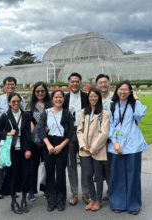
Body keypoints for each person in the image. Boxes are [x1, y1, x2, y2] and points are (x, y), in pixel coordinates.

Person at [108, 80, 148, 215]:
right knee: (117, 176)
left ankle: (134, 204)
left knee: (133, 176)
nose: (123, 92)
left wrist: (136, 98)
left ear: (130, 91)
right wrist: (115, 142)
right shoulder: (112, 106)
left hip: (133, 145)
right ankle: (118, 203)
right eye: (120, 89)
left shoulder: (134, 105)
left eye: (126, 89)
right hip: (117, 145)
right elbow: (110, 126)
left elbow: (140, 114)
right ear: (116, 90)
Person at [37, 90, 74, 212]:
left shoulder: (67, 113)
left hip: (62, 145)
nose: (58, 99)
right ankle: (51, 200)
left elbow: (70, 133)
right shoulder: (46, 113)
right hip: (48, 144)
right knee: (50, 172)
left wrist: (61, 146)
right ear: (52, 99)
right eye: (56, 97)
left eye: (61, 97)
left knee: (60, 173)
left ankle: (61, 200)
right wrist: (48, 145)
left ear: (63, 99)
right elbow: (40, 129)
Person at [0, 92, 32, 214]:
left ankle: (23, 200)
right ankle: (13, 201)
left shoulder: (26, 115)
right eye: (13, 101)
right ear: (9, 103)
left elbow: (28, 134)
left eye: (18, 101)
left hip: (23, 150)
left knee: (26, 175)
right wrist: (7, 134)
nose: (16, 103)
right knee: (12, 176)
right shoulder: (5, 116)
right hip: (11, 151)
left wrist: (28, 149)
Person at [77, 88, 110, 211]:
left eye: (95, 96)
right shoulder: (83, 112)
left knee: (99, 175)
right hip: (85, 150)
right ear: (88, 98)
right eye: (91, 96)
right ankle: (92, 198)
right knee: (88, 174)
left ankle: (98, 200)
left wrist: (94, 147)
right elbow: (79, 130)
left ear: (99, 98)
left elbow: (104, 133)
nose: (93, 98)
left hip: (98, 150)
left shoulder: (104, 114)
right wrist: (83, 145)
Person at [0, 76, 24, 199]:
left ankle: (12, 188)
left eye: (12, 85)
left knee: (14, 163)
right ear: (4, 86)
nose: (10, 87)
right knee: (2, 163)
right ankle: (1, 188)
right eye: (7, 85)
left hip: (16, 137)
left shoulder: (19, 99)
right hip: (3, 136)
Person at [63, 72, 90, 205]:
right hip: (69, 133)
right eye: (72, 81)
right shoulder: (64, 98)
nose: (75, 83)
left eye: (77, 81)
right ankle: (74, 193)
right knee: (71, 163)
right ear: (69, 83)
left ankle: (85, 192)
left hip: (84, 132)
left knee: (85, 163)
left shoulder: (87, 96)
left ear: (80, 83)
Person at [26, 82, 52, 202]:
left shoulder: (50, 105)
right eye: (37, 91)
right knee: (32, 166)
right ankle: (31, 190)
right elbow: (26, 121)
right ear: (34, 92)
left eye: (42, 91)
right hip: (34, 140)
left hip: (48, 139)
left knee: (48, 166)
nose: (40, 93)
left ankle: (46, 188)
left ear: (46, 92)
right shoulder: (30, 106)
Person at [95, 74, 113, 201]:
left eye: (105, 82)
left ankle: (111, 189)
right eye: (100, 83)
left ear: (109, 83)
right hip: (97, 137)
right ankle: (99, 192)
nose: (103, 85)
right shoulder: (95, 98)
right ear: (97, 85)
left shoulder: (114, 99)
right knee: (98, 166)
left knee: (108, 165)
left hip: (110, 137)